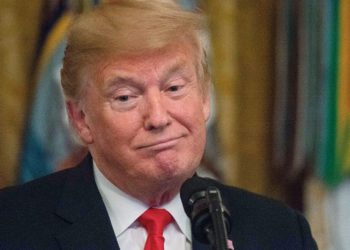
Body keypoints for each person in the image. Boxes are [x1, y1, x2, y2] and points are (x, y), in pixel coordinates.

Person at [0, 1, 317, 249]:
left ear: (205, 98)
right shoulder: (12, 227)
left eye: (175, 88)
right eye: (125, 97)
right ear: (81, 119)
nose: (158, 118)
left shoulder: (280, 233)